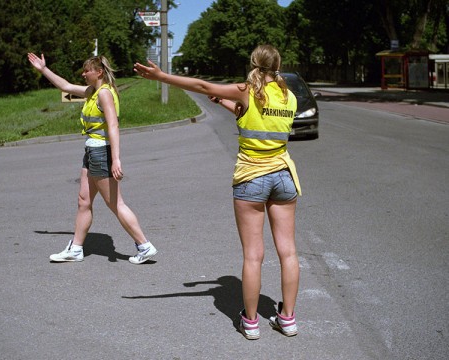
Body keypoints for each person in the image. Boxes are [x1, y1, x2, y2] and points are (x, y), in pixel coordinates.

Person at [134, 44, 300, 339]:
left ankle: (250, 323)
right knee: (288, 252)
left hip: (252, 177)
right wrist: (222, 101)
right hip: (284, 176)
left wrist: (161, 76)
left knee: (253, 256)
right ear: (277, 65)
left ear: (253, 63)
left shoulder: (246, 89)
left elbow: (200, 84)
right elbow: (254, 116)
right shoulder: (289, 97)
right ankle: (287, 319)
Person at [27, 52, 157, 265]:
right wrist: (43, 70)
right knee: (84, 201)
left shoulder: (104, 94)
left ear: (99, 72)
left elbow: (113, 126)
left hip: (100, 153)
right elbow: (67, 87)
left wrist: (116, 159)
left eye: (87, 70)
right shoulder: (93, 91)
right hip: (92, 152)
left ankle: (144, 245)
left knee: (115, 204)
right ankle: (76, 249)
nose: (83, 73)